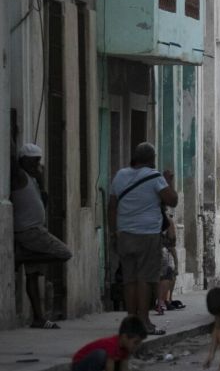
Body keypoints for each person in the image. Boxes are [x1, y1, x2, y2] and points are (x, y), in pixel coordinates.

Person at [108, 142, 178, 336]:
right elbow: (172, 200)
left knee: (129, 280)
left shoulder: (120, 175)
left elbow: (112, 206)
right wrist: (168, 181)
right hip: (147, 235)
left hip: (124, 235)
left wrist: (113, 233)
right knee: (145, 280)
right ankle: (145, 322)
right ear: (152, 159)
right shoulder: (155, 177)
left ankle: (131, 323)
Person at [11, 143, 72, 329]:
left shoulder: (33, 178)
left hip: (34, 230)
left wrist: (42, 180)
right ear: (23, 160)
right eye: (33, 161)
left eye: (38, 161)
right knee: (64, 253)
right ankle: (21, 257)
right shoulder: (20, 175)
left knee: (33, 275)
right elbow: (11, 160)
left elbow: (44, 201)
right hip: (31, 232)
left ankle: (38, 317)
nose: (36, 164)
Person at [71, 316, 148, 371]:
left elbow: (124, 366)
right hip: (79, 364)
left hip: (100, 363)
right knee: (100, 355)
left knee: (117, 360)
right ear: (124, 337)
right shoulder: (112, 344)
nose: (138, 346)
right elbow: (109, 367)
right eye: (136, 342)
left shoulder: (126, 348)